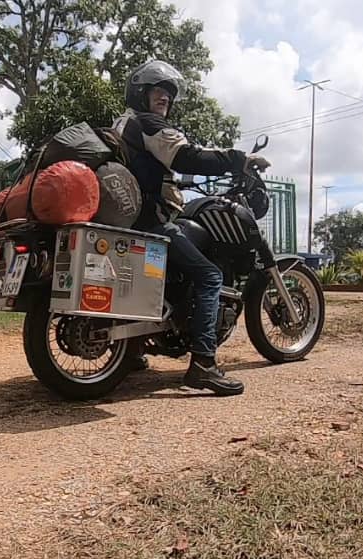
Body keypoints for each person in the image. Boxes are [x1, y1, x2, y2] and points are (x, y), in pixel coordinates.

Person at [114, 59, 270, 395]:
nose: (164, 100)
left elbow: (162, 166)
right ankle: (203, 364)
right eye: (158, 92)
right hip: (148, 221)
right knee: (210, 275)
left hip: (130, 219)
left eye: (169, 96)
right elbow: (186, 156)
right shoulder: (148, 123)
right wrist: (238, 159)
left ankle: (133, 349)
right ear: (141, 93)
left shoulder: (123, 124)